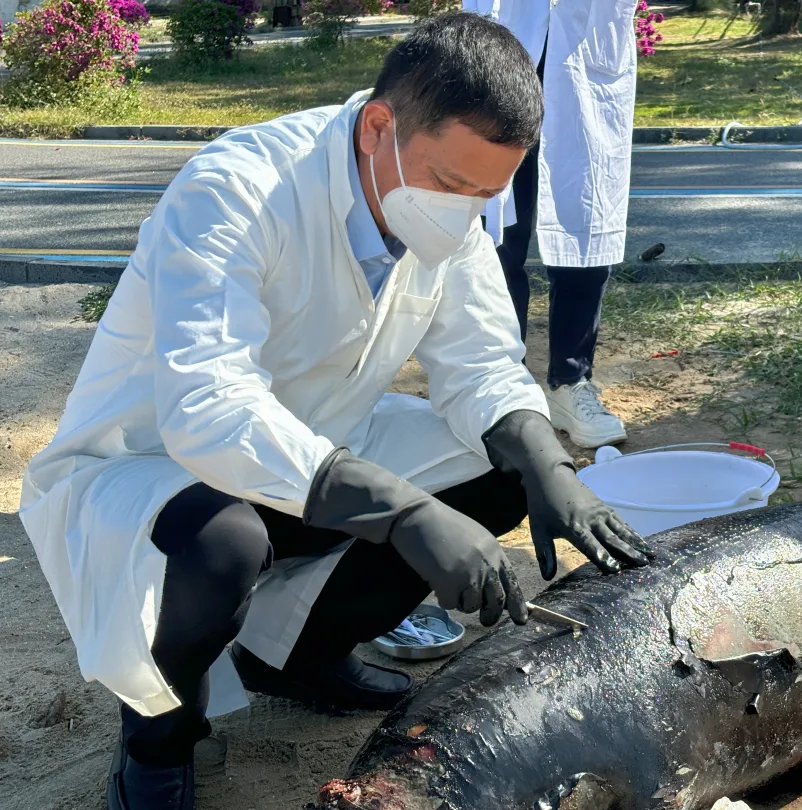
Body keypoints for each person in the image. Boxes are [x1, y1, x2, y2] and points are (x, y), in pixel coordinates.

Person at [18, 14, 653, 810]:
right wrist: (405, 512)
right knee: (222, 543)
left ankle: (299, 655)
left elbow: (482, 361)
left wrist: (549, 466)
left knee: (501, 469)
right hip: (152, 465)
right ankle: (157, 739)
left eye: (486, 194)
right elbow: (209, 408)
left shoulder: (439, 200)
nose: (463, 214)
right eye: (452, 186)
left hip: (324, 437)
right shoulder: (237, 188)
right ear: (377, 128)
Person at [463, 0, 640, 449]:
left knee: (586, 219)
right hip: (506, 40)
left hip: (587, 44)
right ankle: (501, 385)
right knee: (497, 232)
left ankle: (571, 381)